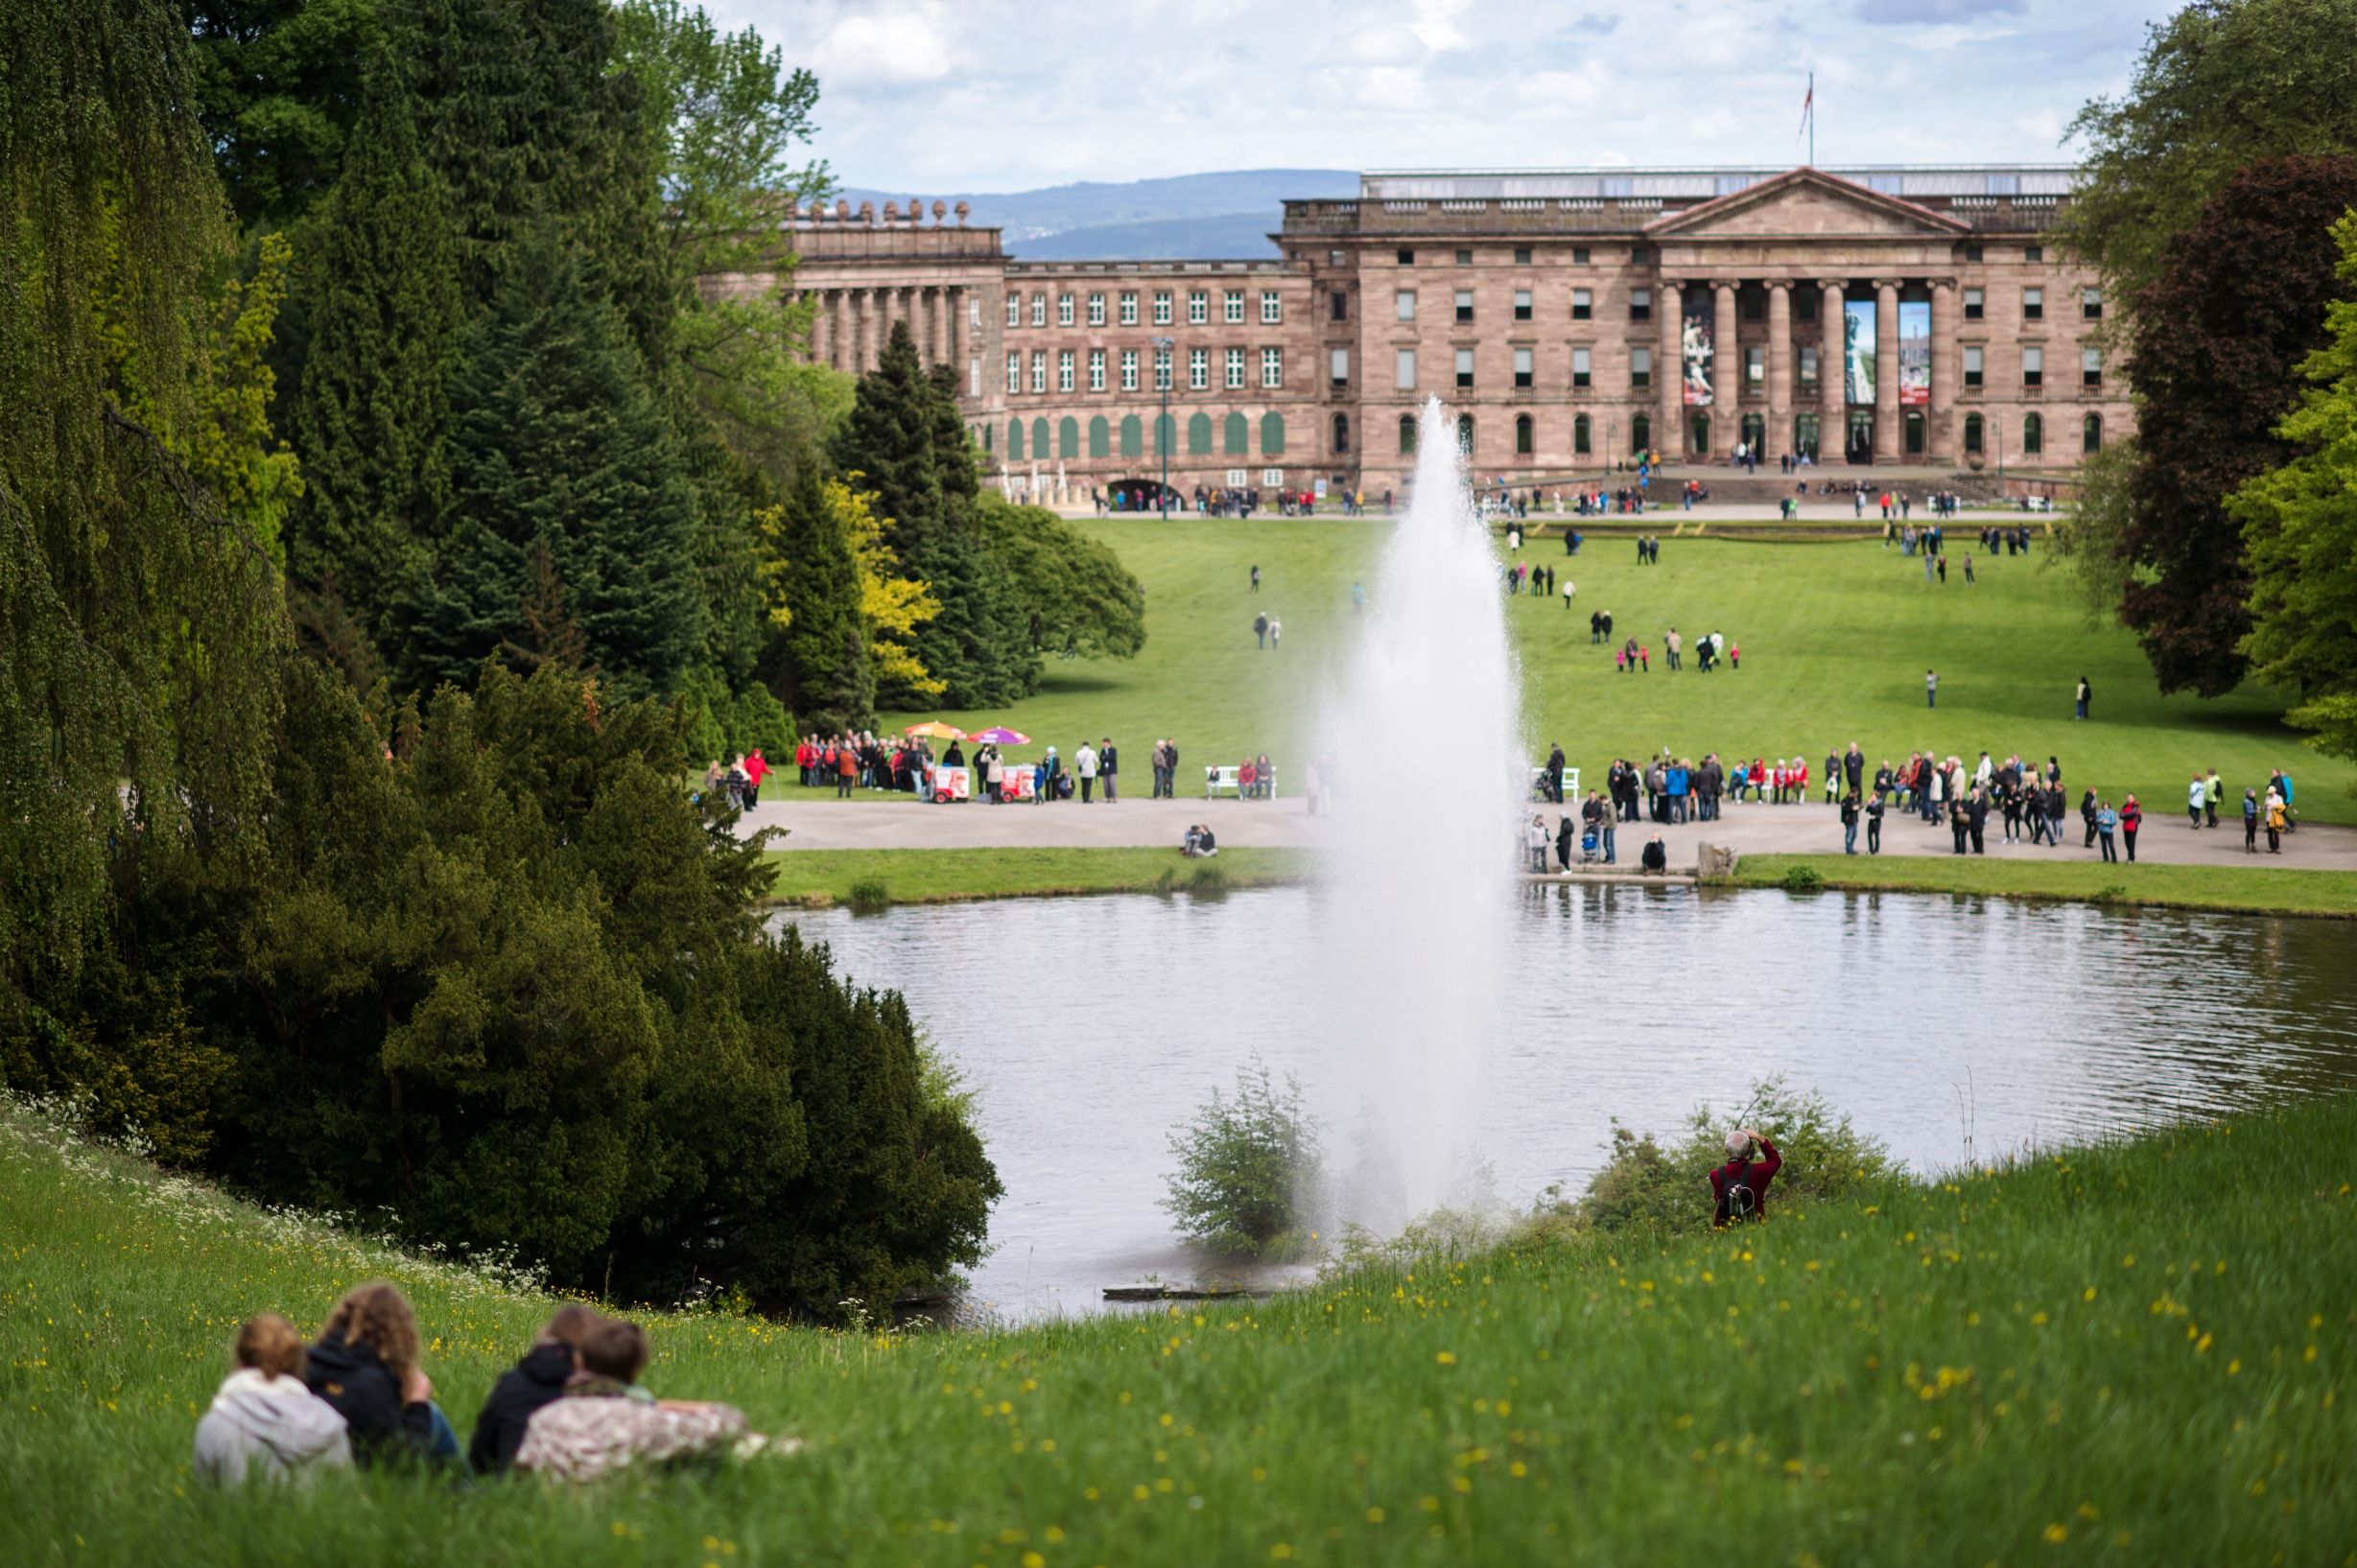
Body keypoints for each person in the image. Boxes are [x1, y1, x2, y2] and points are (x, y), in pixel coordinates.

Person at [512, 1319, 755, 1484]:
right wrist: (679, 1407)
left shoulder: (543, 1418)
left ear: (581, 1362)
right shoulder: (645, 1421)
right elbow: (732, 1424)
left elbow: (520, 1463)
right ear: (636, 1368)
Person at [304, 1282, 458, 1467]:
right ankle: (467, 1489)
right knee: (433, 1415)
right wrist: (418, 1403)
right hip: (349, 1471)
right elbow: (401, 1461)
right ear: (400, 1335)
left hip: (309, 1461)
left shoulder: (307, 1362)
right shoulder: (373, 1384)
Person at [193, 1312, 352, 1486]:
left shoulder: (217, 1425)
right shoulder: (331, 1425)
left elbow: (204, 1500)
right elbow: (344, 1494)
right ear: (299, 1361)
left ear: (239, 1356)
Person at [468, 1303, 603, 1476]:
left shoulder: (512, 1382)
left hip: (512, 1484)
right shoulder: (599, 1393)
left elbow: (480, 1457)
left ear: (548, 1333)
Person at [1709, 1128, 1782, 1228]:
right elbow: (1775, 1161)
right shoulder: (1759, 1171)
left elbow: (1718, 1196)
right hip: (1757, 1229)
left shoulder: (1715, 1175)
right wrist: (1759, 1138)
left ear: (1727, 1151)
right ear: (1749, 1150)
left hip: (1725, 1234)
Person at [2120, 793, 2142, 862]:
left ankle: (2131, 858)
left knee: (2131, 842)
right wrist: (2126, 816)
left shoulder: (2135, 805)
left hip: (2133, 826)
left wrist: (2125, 815)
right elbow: (2120, 815)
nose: (2129, 799)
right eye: (2128, 798)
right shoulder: (2125, 805)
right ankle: (2130, 856)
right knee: (2127, 843)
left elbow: (2133, 813)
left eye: (2130, 798)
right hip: (2126, 826)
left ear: (2133, 798)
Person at [2096, 799, 2119, 863]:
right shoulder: (2100, 812)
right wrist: (2100, 821)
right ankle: (2105, 858)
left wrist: (2107, 822)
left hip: (2109, 831)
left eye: (2106, 805)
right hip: (2101, 831)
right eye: (2104, 805)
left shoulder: (2111, 812)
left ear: (2108, 806)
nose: (2105, 807)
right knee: (2103, 846)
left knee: (2111, 845)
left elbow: (2114, 822)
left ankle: (2114, 859)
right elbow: (2096, 819)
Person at [1840, 790, 1860, 855]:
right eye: (1855, 794)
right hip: (1848, 820)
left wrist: (1859, 807)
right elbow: (1845, 809)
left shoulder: (1854, 800)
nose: (1856, 796)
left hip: (1854, 820)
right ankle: (1848, 849)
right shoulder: (1845, 800)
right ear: (1851, 793)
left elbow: (1857, 807)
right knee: (1849, 835)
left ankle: (1851, 848)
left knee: (1854, 835)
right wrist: (1852, 808)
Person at [1099, 737, 1119, 803]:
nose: (1103, 744)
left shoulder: (1113, 750)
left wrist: (1105, 757)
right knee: (1106, 785)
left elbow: (1113, 758)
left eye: (1104, 743)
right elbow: (1101, 759)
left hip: (1112, 770)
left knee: (1112, 784)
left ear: (1108, 743)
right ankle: (1108, 797)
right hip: (1104, 770)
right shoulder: (1103, 750)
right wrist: (1105, 758)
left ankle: (1114, 797)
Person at [1865, 790, 1884, 854]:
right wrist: (1869, 804)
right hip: (1871, 821)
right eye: (1871, 797)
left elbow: (1882, 814)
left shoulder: (1880, 804)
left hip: (1877, 822)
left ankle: (1876, 850)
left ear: (1876, 797)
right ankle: (1871, 849)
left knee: (1876, 836)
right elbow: (1866, 810)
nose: (1871, 798)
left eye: (1873, 796)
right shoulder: (1871, 804)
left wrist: (1875, 816)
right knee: (1869, 836)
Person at [2243, 786, 2261, 853]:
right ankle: (2247, 847)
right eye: (2253, 792)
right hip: (2249, 819)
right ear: (2248, 793)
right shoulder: (2246, 802)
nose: (2254, 793)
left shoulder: (2253, 800)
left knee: (2253, 833)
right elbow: (2248, 811)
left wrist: (2257, 807)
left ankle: (2253, 846)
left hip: (2253, 818)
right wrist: (2256, 811)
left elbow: (2254, 806)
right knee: (2249, 832)